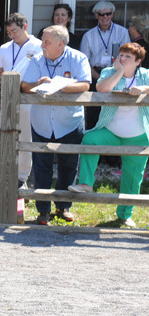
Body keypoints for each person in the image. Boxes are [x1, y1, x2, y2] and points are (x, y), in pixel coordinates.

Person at [69, 42, 149, 228]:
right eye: (121, 55)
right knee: (90, 140)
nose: (123, 58)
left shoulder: (145, 75)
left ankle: (125, 215)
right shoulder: (108, 72)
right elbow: (102, 88)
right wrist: (119, 72)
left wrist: (143, 89)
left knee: (133, 177)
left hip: (138, 135)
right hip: (111, 130)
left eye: (128, 56)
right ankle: (86, 184)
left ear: (138, 61)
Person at [19, 25, 91, 225]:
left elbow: (85, 84)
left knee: (68, 166)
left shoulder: (78, 58)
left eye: (46, 42)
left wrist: (59, 85)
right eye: (43, 40)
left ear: (61, 44)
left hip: (69, 121)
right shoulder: (38, 59)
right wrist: (40, 84)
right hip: (41, 122)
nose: (42, 45)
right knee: (41, 167)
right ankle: (43, 211)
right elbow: (25, 86)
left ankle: (63, 207)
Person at [0, 13, 43, 194]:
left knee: (25, 139)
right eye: (8, 32)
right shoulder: (4, 48)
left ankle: (21, 178)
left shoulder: (39, 46)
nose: (12, 35)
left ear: (25, 27)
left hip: (27, 97)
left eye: (14, 31)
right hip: (5, 96)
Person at [80, 1, 129, 85]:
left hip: (116, 74)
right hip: (95, 75)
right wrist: (99, 78)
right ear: (96, 15)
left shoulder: (122, 32)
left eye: (108, 14)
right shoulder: (88, 36)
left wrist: (115, 76)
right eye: (101, 14)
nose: (105, 17)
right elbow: (84, 62)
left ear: (112, 15)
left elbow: (127, 57)